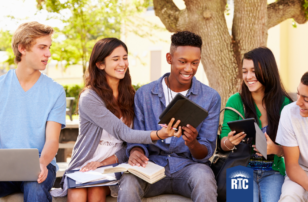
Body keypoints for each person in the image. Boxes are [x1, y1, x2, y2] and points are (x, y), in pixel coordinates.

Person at [51, 38, 181, 202]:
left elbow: (126, 144)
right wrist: (158, 134)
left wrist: (104, 162)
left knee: (95, 193)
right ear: (100, 64)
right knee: (78, 194)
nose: (122, 63)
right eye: (116, 59)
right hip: (85, 164)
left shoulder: (132, 96)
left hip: (114, 164)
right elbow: (123, 133)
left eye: (125, 58)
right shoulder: (89, 98)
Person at [117, 31, 221, 202]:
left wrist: (193, 143)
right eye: (182, 61)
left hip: (189, 167)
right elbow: (136, 136)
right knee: (128, 182)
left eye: (195, 62)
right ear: (169, 58)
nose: (189, 69)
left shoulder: (210, 97)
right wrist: (135, 151)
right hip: (151, 165)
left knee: (204, 178)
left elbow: (206, 151)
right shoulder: (144, 94)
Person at [0, 22, 66, 202]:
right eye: (42, 47)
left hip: (40, 165)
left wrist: (43, 163)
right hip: (3, 167)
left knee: (35, 188)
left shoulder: (55, 91)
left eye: (49, 47)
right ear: (22, 48)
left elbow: (52, 140)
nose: (49, 54)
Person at [220, 47, 293, 202]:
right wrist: (229, 141)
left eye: (254, 71)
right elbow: (223, 143)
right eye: (245, 71)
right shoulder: (235, 101)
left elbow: (292, 149)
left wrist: (275, 149)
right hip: (240, 168)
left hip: (273, 171)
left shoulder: (284, 104)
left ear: (267, 70)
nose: (248, 76)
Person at [276, 72, 308, 202]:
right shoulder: (289, 113)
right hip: (300, 172)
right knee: (289, 198)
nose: (298, 103)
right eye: (298, 94)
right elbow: (292, 165)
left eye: (306, 99)